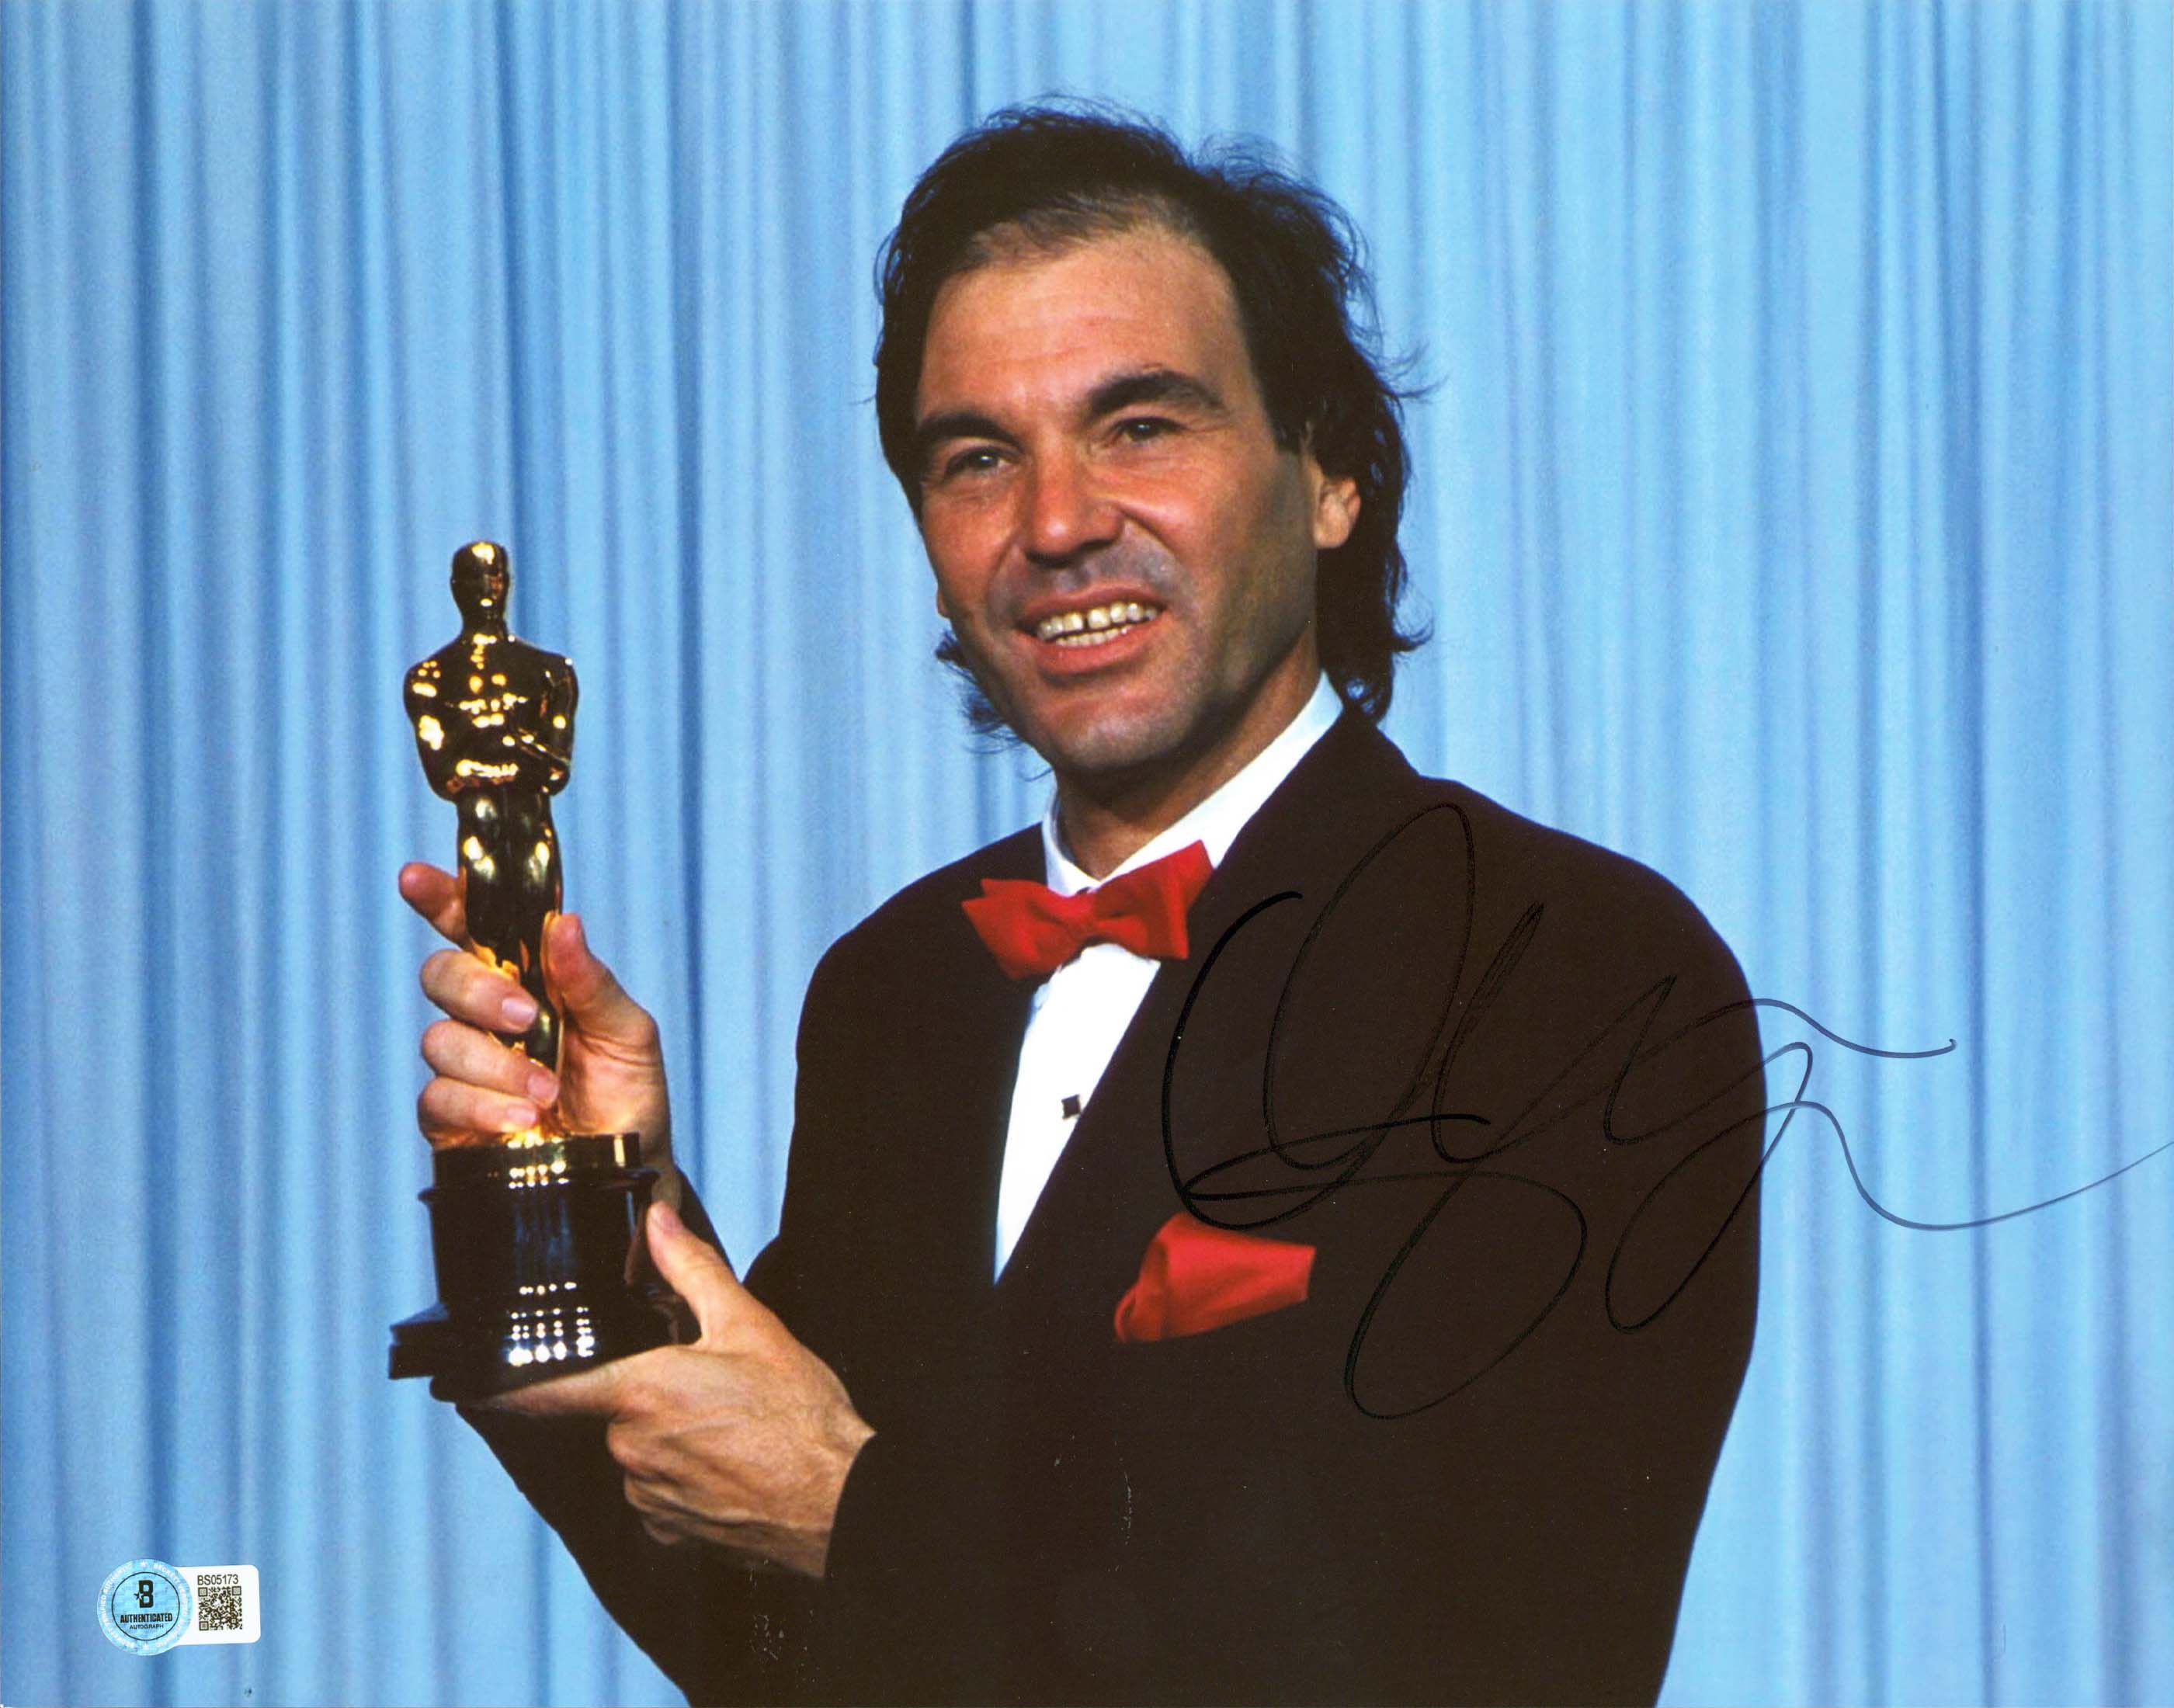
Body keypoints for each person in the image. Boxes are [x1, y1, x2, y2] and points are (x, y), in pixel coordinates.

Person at [399, 106, 1766, 1705]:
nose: (1054, 525)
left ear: (1329, 472)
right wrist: (596, 1205)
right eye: (977, 457)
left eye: (1140, 426)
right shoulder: (897, 987)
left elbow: (1464, 1645)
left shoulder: (1579, 971)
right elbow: (773, 1646)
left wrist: (845, 1506)